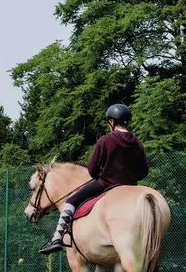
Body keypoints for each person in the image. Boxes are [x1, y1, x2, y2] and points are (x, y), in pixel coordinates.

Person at [39, 104, 149, 255]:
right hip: (130, 186)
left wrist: (102, 174)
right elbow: (144, 170)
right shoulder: (137, 142)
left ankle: (57, 238)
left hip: (106, 184)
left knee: (71, 200)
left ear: (111, 121)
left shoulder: (105, 140)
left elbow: (92, 169)